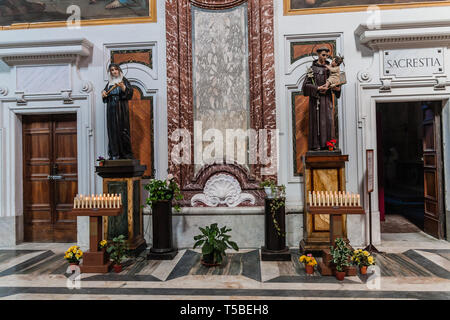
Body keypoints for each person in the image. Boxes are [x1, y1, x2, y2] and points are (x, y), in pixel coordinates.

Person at [302, 47, 341, 151]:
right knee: (317, 122)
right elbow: (305, 87)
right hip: (316, 100)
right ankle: (316, 145)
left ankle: (329, 144)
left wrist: (337, 88)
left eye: (327, 56)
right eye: (323, 55)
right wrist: (318, 88)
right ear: (318, 54)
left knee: (328, 121)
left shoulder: (330, 68)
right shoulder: (312, 69)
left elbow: (337, 82)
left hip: (327, 100)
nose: (325, 57)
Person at [102, 63, 134, 160]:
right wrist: (103, 94)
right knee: (112, 131)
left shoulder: (124, 80)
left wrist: (123, 87)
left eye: (116, 69)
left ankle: (125, 154)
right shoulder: (109, 83)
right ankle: (114, 154)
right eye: (112, 70)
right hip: (111, 109)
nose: (114, 71)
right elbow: (105, 96)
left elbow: (130, 93)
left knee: (122, 130)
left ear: (119, 70)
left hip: (121, 108)